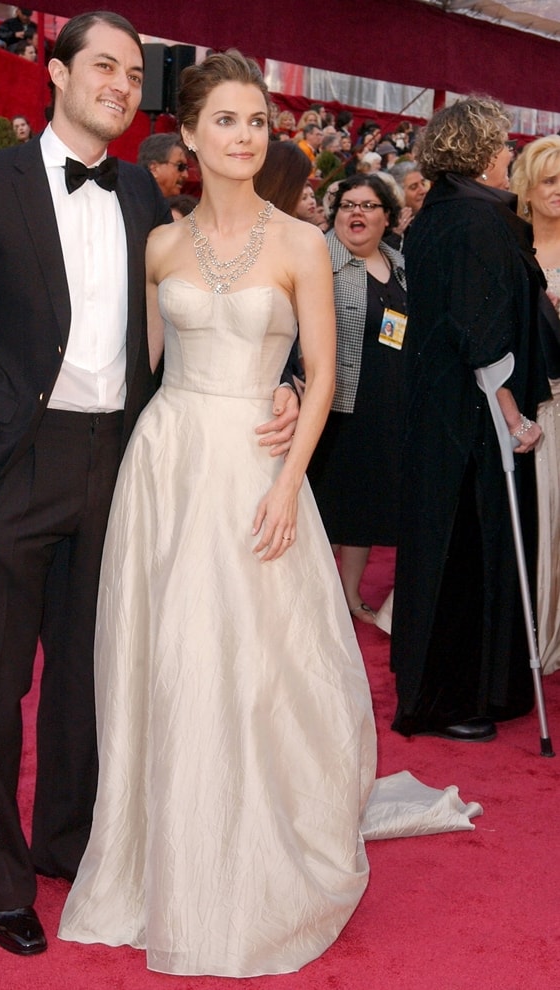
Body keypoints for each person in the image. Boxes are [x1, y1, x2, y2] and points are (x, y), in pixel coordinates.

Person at [0, 11, 297, 958]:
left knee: (95, 674)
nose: (122, 84)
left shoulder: (140, 194)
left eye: (135, 73)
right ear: (55, 73)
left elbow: (210, 296)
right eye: (103, 67)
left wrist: (282, 380)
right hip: (10, 467)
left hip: (120, 465)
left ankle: (67, 842)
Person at [58, 47, 377, 978]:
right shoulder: (158, 243)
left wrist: (288, 481)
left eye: (259, 123)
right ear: (188, 136)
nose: (245, 138)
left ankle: (248, 852)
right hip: (166, 464)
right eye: (227, 122)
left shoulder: (301, 243)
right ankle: (160, 851)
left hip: (255, 470)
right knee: (168, 655)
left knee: (252, 663)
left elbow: (321, 376)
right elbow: (137, 369)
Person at [390, 97, 550, 742]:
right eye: (504, 145)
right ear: (483, 153)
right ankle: (456, 695)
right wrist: (513, 415)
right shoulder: (484, 221)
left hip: (436, 406)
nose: (510, 154)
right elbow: (482, 334)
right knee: (469, 547)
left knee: (441, 544)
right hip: (475, 413)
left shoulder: (435, 215)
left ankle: (450, 687)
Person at [307, 174, 406, 622]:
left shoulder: (401, 263)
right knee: (325, 506)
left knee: (363, 509)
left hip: (385, 405)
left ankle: (349, 597)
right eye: (347, 205)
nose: (356, 213)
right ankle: (311, 599)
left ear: (388, 217)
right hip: (334, 406)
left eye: (368, 205)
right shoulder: (318, 261)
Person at [510, 135, 560, 674]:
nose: (559, 192)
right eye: (549, 181)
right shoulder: (513, 244)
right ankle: (524, 627)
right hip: (524, 403)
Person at [136, 132, 188, 196]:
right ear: (154, 169)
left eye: (186, 168)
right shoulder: (130, 202)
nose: (186, 175)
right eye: (180, 166)